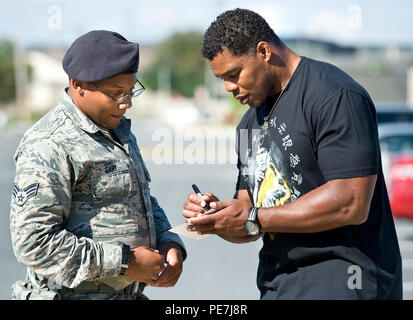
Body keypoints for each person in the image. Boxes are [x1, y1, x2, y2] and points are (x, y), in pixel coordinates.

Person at [183, 8, 402, 299]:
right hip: (279, 287)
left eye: (234, 74)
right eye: (222, 78)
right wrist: (217, 217)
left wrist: (253, 217)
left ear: (263, 51)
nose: (228, 87)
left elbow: (351, 201)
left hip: (347, 283)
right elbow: (248, 213)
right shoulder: (249, 124)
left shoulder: (334, 95)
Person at [10, 30, 186, 300]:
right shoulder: (50, 143)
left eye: (130, 91)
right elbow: (34, 244)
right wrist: (125, 261)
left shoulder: (116, 130)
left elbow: (140, 199)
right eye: (116, 93)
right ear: (78, 84)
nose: (126, 103)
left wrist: (168, 241)